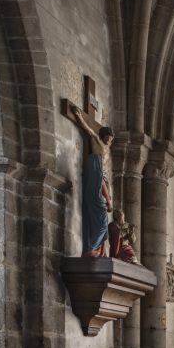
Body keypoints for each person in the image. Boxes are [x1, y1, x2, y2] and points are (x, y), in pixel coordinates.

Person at [72, 106, 114, 256]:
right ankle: (91, 247)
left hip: (101, 175)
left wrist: (109, 194)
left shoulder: (107, 150)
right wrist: (79, 116)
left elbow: (105, 174)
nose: (110, 140)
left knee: (102, 215)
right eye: (108, 137)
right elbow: (87, 129)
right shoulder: (96, 140)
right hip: (94, 174)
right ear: (103, 136)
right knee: (100, 215)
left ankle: (98, 249)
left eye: (111, 138)